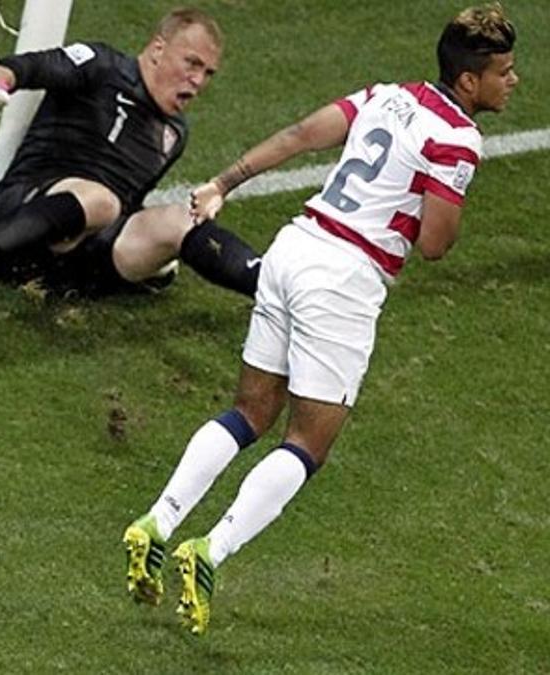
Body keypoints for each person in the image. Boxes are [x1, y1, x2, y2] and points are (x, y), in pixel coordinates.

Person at [122, 3, 517, 636]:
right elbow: (437, 244)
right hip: (343, 280)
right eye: (504, 71)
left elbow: (303, 133)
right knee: (308, 442)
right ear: (469, 82)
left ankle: (158, 520)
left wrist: (224, 181)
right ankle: (209, 550)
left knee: (249, 412)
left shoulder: (387, 96)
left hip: (292, 248)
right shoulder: (458, 139)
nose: (513, 82)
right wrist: (422, 197)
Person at [0, 7, 262, 302]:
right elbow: (29, 66)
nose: (198, 81)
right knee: (101, 201)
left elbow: (130, 205)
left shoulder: (174, 134)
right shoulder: (101, 65)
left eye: (208, 72)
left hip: (79, 260)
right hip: (22, 210)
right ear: (159, 48)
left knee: (183, 220)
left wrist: (154, 247)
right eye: (192, 63)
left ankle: (273, 292)